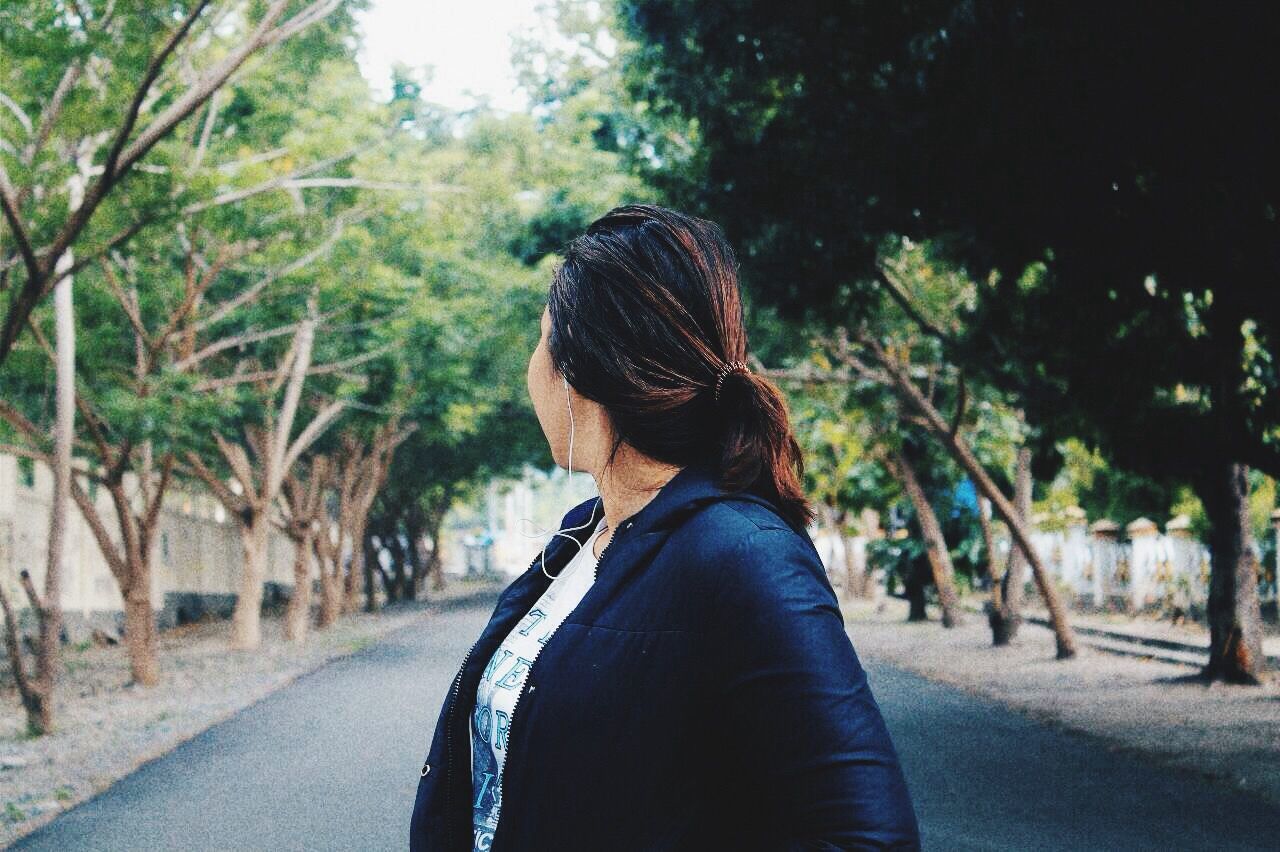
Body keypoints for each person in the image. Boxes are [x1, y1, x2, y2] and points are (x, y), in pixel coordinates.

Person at [409, 204, 921, 851]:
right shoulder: (582, 541)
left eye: (541, 340)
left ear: (581, 368)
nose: (530, 369)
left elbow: (868, 837)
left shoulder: (742, 555)